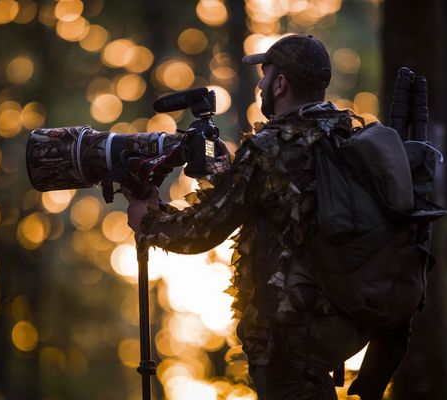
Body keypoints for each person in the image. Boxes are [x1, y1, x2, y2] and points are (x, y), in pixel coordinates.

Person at [123, 34, 372, 399]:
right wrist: (228, 170)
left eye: (265, 74)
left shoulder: (270, 147)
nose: (259, 83)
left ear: (281, 83)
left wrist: (147, 218)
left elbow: (200, 231)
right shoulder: (340, 137)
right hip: (332, 329)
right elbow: (288, 204)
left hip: (286, 341)